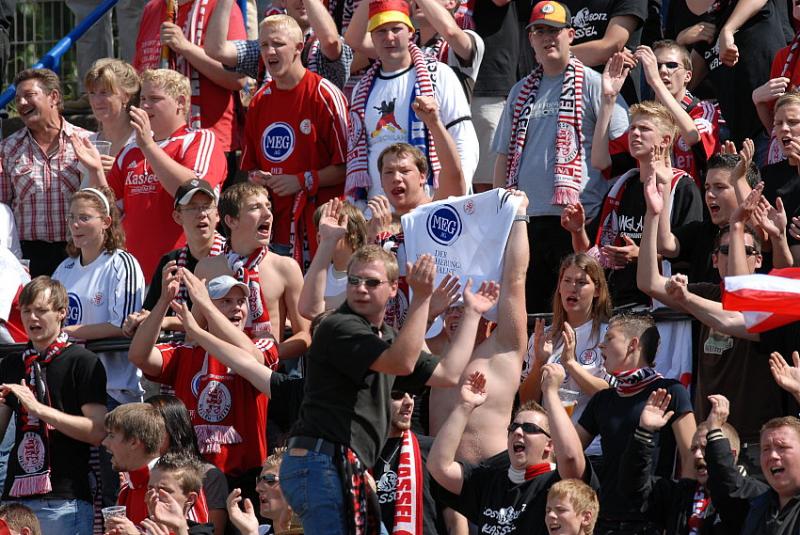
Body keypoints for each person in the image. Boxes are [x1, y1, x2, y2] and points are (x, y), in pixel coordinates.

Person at [280, 247, 498, 533]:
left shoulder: (387, 338)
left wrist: (472, 313)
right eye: (354, 280)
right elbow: (402, 363)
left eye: (372, 282)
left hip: (344, 467)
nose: (360, 288)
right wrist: (421, 298)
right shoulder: (339, 325)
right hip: (321, 463)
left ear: (394, 288)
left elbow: (448, 374)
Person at [638, 173, 787, 474]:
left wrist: (741, 225)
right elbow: (648, 282)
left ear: (759, 259)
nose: (732, 255)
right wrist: (653, 215)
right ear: (714, 259)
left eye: (744, 249)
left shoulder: (768, 298)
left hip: (756, 441)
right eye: (725, 250)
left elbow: (739, 305)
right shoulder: (706, 293)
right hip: (709, 436)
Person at [492, 1, 629, 313]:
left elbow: (622, 146)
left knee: (575, 314)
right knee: (531, 315)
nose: (547, 38)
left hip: (577, 221)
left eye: (554, 31)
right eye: (539, 31)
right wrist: (500, 213)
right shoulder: (519, 91)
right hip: (525, 220)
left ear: (571, 35)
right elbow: (503, 155)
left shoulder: (595, 84)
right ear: (530, 39)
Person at [129, 270, 279, 516]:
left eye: (241, 301)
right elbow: (138, 356)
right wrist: (164, 301)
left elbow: (253, 359)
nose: (237, 308)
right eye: (226, 301)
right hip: (194, 478)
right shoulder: (185, 352)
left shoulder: (262, 343)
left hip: (247, 477)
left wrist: (205, 306)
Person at [89, 69, 227, 282]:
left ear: (180, 102)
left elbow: (194, 191)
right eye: (143, 99)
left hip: (185, 270)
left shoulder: (199, 139)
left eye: (154, 99)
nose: (144, 106)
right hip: (135, 273)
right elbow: (110, 210)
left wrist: (149, 146)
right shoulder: (131, 150)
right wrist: (95, 171)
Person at [566, 98, 703, 307]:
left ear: (665, 140)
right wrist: (577, 231)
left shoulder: (683, 187)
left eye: (644, 129)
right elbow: (590, 255)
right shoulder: (621, 187)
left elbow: (690, 254)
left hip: (661, 308)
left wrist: (640, 255)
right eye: (632, 128)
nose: (635, 134)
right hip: (615, 305)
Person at [241, 14, 349, 268]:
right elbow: (250, 169)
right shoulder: (259, 101)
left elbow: (347, 168)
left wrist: (301, 180)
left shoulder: (324, 94)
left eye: (278, 44)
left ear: (299, 48)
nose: (270, 51)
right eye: (264, 45)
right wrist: (258, 178)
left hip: (320, 230)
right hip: (274, 229)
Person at [428, 368, 594, 533]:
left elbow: (570, 458)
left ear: (549, 445)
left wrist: (550, 392)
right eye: (514, 427)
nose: (518, 432)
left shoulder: (559, 484)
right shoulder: (490, 480)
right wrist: (464, 406)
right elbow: (439, 467)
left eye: (529, 428)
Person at [0, 277, 106, 533]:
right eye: (26, 311)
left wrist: (38, 409)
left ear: (62, 313)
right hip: (15, 498)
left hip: (64, 497)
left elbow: (97, 431)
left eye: (41, 310)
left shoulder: (83, 361)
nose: (32, 318)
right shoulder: (13, 364)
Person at [345, 0, 479, 202]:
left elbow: (464, 139)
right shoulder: (361, 90)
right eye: (381, 31)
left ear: (409, 32)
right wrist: (359, 206)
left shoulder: (439, 75)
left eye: (396, 29)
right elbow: (357, 154)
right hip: (377, 211)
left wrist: (453, 195)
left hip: (430, 204)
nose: (389, 37)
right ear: (371, 37)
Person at [575, 313, 696, 534]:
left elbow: (692, 456)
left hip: (651, 520)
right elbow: (570, 451)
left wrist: (680, 515)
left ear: (633, 345)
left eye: (609, 338)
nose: (601, 345)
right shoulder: (603, 399)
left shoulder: (670, 391)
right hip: (605, 519)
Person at [620, 391, 769, 534]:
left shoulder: (755, 495)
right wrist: (644, 432)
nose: (697, 455)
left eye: (705, 448)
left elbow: (729, 492)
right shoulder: (680, 493)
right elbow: (635, 488)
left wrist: (714, 430)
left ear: (730, 454)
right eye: (694, 448)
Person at [52, 187, 145, 408]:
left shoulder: (122, 263)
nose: (75, 224)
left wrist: (67, 333)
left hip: (112, 390)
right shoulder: (64, 268)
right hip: (70, 387)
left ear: (106, 222)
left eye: (84, 218)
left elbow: (124, 325)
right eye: (72, 217)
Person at [194, 182, 310, 351]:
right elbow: (194, 333)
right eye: (255, 207)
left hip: (265, 366)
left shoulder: (286, 267)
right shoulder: (206, 268)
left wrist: (266, 355)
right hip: (218, 365)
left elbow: (304, 336)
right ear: (231, 221)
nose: (268, 213)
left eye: (268, 206)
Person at [519, 253, 612, 462]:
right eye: (567, 281)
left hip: (591, 450)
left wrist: (570, 364)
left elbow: (610, 396)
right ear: (559, 288)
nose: (572, 288)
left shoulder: (608, 335)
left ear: (597, 291)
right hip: (546, 450)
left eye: (581, 282)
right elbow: (526, 400)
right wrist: (539, 363)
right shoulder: (544, 336)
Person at [0, 68, 92, 277]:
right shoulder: (7, 149)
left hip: (77, 251)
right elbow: (3, 208)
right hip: (29, 256)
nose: (22, 103)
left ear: (54, 97)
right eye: (18, 99)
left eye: (29, 95)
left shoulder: (86, 142)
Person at [133, 0, 247, 159]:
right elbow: (138, 74)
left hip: (209, 145)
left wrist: (184, 46)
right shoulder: (152, 8)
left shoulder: (220, 6)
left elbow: (237, 78)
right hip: (155, 143)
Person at [124, 179, 227, 335]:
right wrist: (137, 321)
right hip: (178, 345)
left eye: (207, 207)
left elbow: (222, 318)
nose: (202, 214)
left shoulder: (230, 256)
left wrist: (166, 321)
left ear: (217, 214)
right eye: (193, 208)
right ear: (177, 217)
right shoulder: (171, 262)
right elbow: (150, 313)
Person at [205, 0, 354, 91]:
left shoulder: (322, 48)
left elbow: (330, 42)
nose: (302, 1)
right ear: (283, 1)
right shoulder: (266, 47)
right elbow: (216, 49)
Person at [146, 395, 230, 535]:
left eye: (152, 428)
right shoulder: (140, 470)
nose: (145, 435)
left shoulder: (209, 475)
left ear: (174, 429)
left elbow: (215, 531)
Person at [373, 389, 444, 534]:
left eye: (412, 395)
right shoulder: (361, 456)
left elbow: (455, 521)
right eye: (398, 396)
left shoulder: (432, 449)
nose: (409, 402)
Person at [298, 198, 367, 319]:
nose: (321, 234)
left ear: (353, 234)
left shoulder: (369, 275)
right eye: (320, 228)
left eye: (332, 225)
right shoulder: (313, 275)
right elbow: (307, 312)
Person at [101, 402, 168, 528]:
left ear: (133, 442)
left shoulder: (172, 485)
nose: (104, 442)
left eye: (111, 435)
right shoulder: (126, 490)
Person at [76, 59, 140, 188]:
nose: (96, 101)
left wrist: (119, 171)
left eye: (104, 93)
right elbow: (86, 193)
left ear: (126, 96)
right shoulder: (90, 143)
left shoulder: (143, 141)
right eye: (92, 93)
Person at [226, 448, 303, 535]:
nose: (258, 488)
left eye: (270, 479)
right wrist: (249, 532)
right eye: (259, 480)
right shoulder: (261, 531)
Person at [143, 453, 216, 535]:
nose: (154, 495)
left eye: (164, 490)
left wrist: (180, 529)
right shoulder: (139, 528)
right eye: (150, 489)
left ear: (190, 498)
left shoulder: (202, 533)